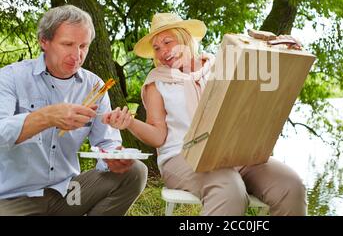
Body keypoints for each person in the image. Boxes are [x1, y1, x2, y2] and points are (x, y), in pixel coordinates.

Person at [102, 12, 307, 215]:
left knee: (290, 186)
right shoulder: (157, 81)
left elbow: (258, 91)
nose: (163, 51)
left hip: (234, 153)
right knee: (229, 189)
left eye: (168, 42)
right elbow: (158, 136)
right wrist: (129, 123)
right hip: (181, 157)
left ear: (185, 38)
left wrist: (286, 52)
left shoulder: (220, 66)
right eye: (157, 48)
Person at [0, 4, 147, 216]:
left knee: (135, 172)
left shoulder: (95, 87)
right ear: (44, 42)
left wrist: (114, 158)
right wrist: (47, 117)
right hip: (16, 196)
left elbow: (107, 143)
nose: (77, 55)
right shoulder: (10, 78)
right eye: (67, 44)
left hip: (69, 192)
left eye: (83, 46)